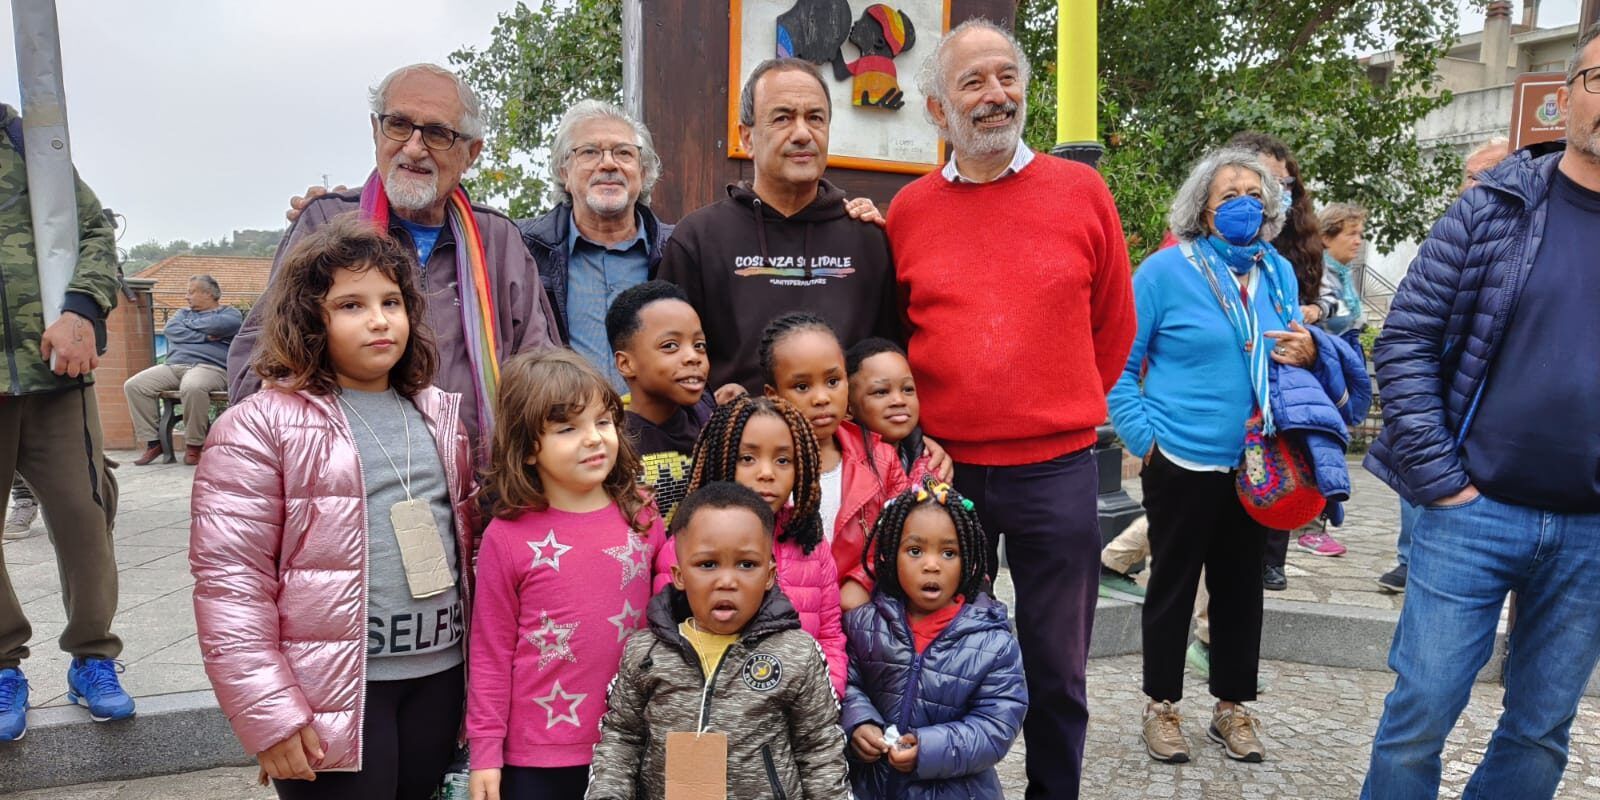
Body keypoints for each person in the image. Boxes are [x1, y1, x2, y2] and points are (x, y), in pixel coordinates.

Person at [886, 20, 1136, 798]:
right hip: (945, 474)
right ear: (936, 109)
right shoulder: (909, 211)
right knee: (946, 656)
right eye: (973, 82)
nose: (996, 96)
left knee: (1058, 667)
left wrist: (1054, 407)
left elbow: (1114, 322)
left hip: (1056, 472)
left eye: (1006, 77)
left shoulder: (1080, 191)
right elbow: (896, 334)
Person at [1361, 24, 1600, 800]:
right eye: (1599, 81)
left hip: (1591, 533)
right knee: (1420, 712)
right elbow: (1407, 339)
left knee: (1541, 728)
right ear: (1564, 99)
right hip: (1474, 510)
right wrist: (1439, 476)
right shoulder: (1494, 207)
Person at [190, 216, 478, 797]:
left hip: (439, 679)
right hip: (335, 692)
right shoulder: (258, 427)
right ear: (309, 319)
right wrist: (268, 714)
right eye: (351, 305)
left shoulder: (441, 416)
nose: (378, 320)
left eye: (391, 302)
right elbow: (230, 585)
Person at [1108, 146, 1321, 765]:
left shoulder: (1277, 272)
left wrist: (1307, 352)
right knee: (1172, 586)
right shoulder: (1163, 273)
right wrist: (1146, 443)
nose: (1242, 205)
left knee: (1240, 588)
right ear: (1203, 208)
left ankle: (1232, 708)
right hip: (1181, 457)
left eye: (1254, 195)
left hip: (1257, 461)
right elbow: (1120, 367)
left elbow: (1285, 351)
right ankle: (1161, 707)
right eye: (1228, 195)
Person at [229, 63, 561, 453]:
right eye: (399, 125)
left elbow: (542, 369)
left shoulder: (499, 239)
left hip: (482, 485)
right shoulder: (325, 222)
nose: (414, 148)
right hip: (352, 484)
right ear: (376, 131)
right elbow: (261, 363)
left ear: (471, 153)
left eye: (438, 133)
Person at [466, 349, 667, 800]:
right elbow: (490, 652)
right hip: (537, 757)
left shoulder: (642, 514)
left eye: (602, 421)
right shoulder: (507, 534)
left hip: (633, 740)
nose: (594, 439)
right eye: (567, 429)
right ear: (527, 448)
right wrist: (484, 753)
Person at [586, 481, 851, 800]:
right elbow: (621, 738)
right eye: (708, 564)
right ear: (680, 575)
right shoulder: (645, 653)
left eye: (747, 565)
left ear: (769, 575)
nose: (727, 581)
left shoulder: (797, 653)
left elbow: (820, 751)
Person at [0, 100, 131, 742]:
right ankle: (1, 667)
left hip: (56, 369)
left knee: (86, 515)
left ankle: (92, 658)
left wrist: (83, 309)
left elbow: (94, 231)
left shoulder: (30, 146)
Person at [657, 58, 899, 394]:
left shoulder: (867, 239)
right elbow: (666, 362)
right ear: (747, 137)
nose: (802, 134)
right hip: (734, 443)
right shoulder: (698, 239)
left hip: (846, 443)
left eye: (815, 118)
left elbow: (891, 360)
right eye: (782, 118)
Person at [1377, 137, 1513, 595]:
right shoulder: (1458, 227)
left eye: (1481, 175)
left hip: (1490, 435)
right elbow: (1408, 333)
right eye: (1468, 176)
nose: (1470, 186)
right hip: (1435, 411)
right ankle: (1408, 557)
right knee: (1418, 474)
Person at [842, 477, 1027, 800]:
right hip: (872, 787)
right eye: (915, 551)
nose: (931, 565)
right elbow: (845, 685)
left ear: (968, 561)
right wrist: (858, 723)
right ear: (889, 555)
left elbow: (995, 726)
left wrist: (928, 749)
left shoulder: (993, 644)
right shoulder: (865, 624)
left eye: (948, 553)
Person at [1225, 132, 1345, 573]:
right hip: (1215, 421)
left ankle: (1271, 561)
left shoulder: (1294, 252)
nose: (1277, 193)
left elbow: (1330, 300)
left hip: (1280, 395)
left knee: (1279, 477)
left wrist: (1311, 328)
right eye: (1264, 182)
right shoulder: (1192, 253)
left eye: (1285, 184)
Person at [676, 394, 847, 697]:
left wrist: (825, 697)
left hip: (796, 711)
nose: (767, 472)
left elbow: (830, 635)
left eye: (783, 460)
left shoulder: (810, 542)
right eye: (748, 458)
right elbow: (672, 642)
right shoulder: (689, 540)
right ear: (721, 459)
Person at [760, 312, 924, 613]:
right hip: (784, 621)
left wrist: (864, 579)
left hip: (863, 618)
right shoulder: (759, 467)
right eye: (802, 387)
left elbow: (905, 535)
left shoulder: (881, 461)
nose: (822, 398)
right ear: (773, 395)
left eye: (833, 381)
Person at [517, 100, 673, 391]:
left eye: (624, 153)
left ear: (643, 171)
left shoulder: (678, 248)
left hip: (660, 432)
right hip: (564, 428)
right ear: (564, 171)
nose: (609, 163)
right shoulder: (522, 248)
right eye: (589, 152)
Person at [606, 280, 714, 521]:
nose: (692, 357)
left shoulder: (712, 422)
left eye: (699, 345)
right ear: (626, 364)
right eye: (670, 346)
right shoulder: (610, 438)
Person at [125, 274, 243, 466]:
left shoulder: (230, 314)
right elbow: (172, 330)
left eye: (191, 292)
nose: (186, 297)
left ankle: (194, 445)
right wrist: (206, 336)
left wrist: (190, 330)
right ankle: (155, 442)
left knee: (193, 387)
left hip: (209, 367)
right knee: (135, 385)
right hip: (174, 365)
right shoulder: (182, 314)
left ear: (208, 294)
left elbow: (222, 325)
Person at [845, 337, 933, 476]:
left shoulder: (926, 457)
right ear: (848, 408)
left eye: (908, 389)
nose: (899, 400)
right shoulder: (845, 469)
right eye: (881, 392)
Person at [1315, 203, 1368, 351]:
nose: (1358, 241)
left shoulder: (1344, 275)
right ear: (1325, 238)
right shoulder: (1313, 275)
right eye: (1351, 234)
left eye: (1360, 235)